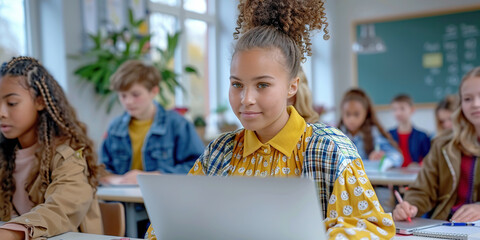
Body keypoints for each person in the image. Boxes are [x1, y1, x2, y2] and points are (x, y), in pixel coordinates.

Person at [146, 0, 395, 239]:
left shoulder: (328, 148)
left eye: (262, 84)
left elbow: (370, 226)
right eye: (237, 84)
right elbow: (171, 223)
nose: (246, 99)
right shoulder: (219, 152)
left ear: (292, 87)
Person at [0, 56, 102, 239]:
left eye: (12, 103)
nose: (1, 113)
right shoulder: (5, 155)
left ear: (40, 102)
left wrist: (9, 233)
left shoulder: (68, 155)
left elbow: (60, 210)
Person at [393, 67, 480, 222]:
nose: (475, 104)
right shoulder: (443, 144)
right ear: (461, 104)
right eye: (467, 99)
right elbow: (423, 190)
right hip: (446, 225)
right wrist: (410, 205)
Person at [100, 60, 204, 185]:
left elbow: (199, 168)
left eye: (135, 94)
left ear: (154, 91)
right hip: (123, 203)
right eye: (123, 96)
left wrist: (150, 177)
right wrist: (118, 180)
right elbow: (102, 170)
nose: (128, 101)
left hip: (163, 201)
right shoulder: (114, 127)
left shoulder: (178, 125)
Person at [338, 88, 403, 171]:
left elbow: (397, 157)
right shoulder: (337, 135)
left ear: (366, 113)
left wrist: (383, 159)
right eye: (347, 114)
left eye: (356, 114)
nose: (351, 119)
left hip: (368, 182)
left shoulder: (374, 133)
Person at [388, 94, 430, 167]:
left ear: (412, 110)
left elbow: (429, 159)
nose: (398, 113)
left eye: (402, 108)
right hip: (393, 175)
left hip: (414, 175)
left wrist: (418, 165)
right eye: (395, 109)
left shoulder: (422, 136)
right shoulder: (388, 135)